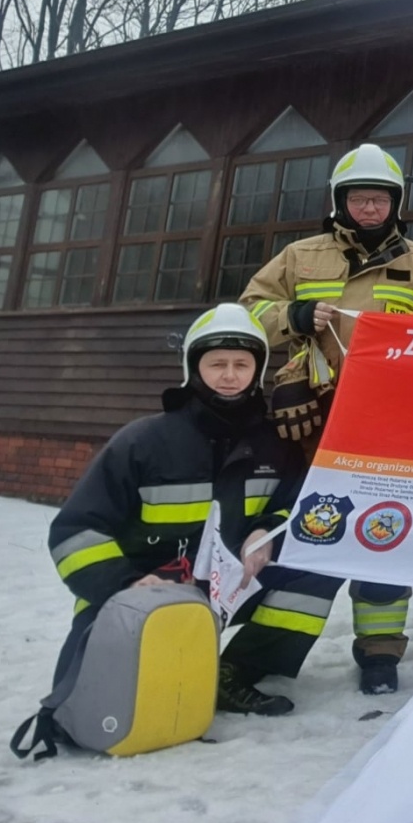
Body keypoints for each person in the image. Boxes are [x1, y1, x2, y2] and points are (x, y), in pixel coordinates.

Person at [46, 305, 343, 717]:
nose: (229, 375)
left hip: (233, 584)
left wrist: (267, 534)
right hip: (141, 592)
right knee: (101, 706)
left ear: (256, 372)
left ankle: (235, 672)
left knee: (321, 563)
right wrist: (125, 583)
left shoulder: (277, 444)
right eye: (216, 363)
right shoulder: (143, 442)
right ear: (193, 367)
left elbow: (295, 508)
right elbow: (76, 531)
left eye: (242, 364)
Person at [240, 143, 413, 695]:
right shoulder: (299, 256)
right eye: (358, 199)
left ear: (395, 203)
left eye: (378, 199)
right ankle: (268, 648)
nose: (368, 208)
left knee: (385, 530)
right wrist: (294, 316)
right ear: (339, 201)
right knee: (306, 531)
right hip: (308, 418)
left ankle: (380, 652)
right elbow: (247, 313)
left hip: (387, 425)